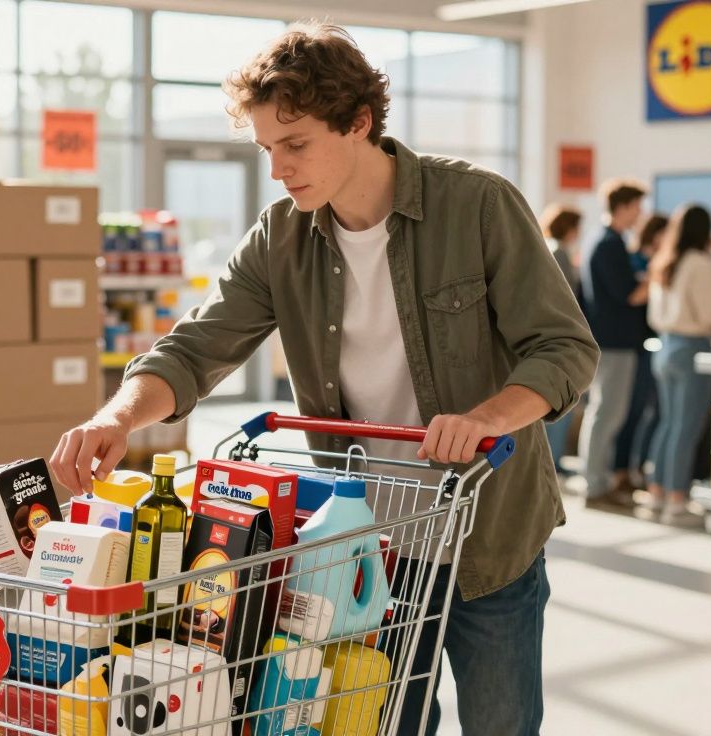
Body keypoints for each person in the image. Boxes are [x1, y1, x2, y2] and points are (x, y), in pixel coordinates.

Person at [49, 21, 597, 735]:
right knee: (382, 724)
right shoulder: (280, 239)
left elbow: (563, 348)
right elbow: (192, 349)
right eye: (267, 149)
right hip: (364, 549)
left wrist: (488, 418)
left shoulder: (478, 206)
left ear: (359, 122)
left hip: (486, 536)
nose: (278, 168)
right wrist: (116, 418)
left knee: (501, 724)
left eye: (296, 143)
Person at [646, 205, 711, 522]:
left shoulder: (665, 260)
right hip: (691, 349)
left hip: (665, 345)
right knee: (686, 427)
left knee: (667, 424)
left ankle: (657, 494)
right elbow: (709, 313)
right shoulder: (698, 261)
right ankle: (677, 500)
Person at [578, 179, 649, 509]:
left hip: (607, 339)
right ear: (622, 207)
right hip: (614, 342)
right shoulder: (610, 244)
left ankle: (597, 481)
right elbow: (628, 294)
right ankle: (595, 486)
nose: (639, 214)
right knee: (608, 414)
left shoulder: (601, 240)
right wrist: (657, 277)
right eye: (636, 207)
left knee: (604, 413)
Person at [612, 214, 669, 495]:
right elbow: (633, 296)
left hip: (650, 345)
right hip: (637, 345)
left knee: (651, 413)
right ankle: (621, 470)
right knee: (632, 412)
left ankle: (634, 469)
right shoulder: (635, 259)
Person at [539, 204, 585, 471]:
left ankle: (553, 460)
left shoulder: (547, 246)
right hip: (560, 338)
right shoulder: (560, 253)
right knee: (560, 402)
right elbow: (567, 297)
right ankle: (553, 461)